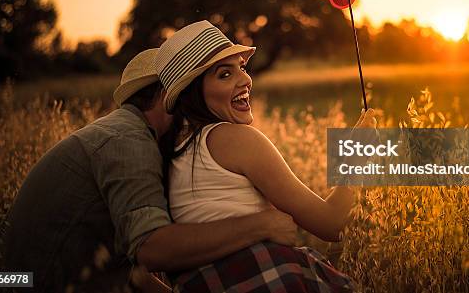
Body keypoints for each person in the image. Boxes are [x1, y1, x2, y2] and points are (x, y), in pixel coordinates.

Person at [0, 48, 297, 293]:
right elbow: (153, 249)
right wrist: (262, 224)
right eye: (190, 90)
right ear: (168, 95)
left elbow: (133, 274)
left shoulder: (133, 136)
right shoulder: (128, 141)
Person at [154, 20, 376, 292]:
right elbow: (331, 224)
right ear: (192, 94)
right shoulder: (236, 140)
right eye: (224, 74)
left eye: (242, 68)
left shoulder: (172, 151)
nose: (245, 80)